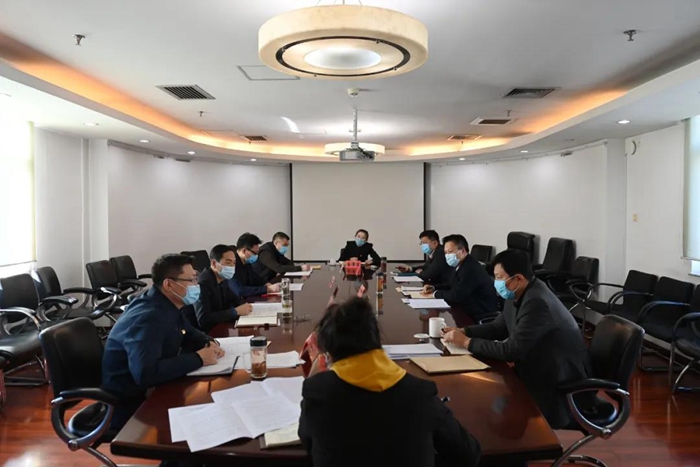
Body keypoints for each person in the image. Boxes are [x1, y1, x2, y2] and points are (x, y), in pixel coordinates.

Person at [299, 297, 481, 467]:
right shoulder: (420, 394)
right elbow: (467, 454)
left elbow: (308, 442)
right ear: (376, 341)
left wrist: (315, 372)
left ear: (329, 354)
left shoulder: (316, 392)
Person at [442, 249, 591, 429]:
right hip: (538, 366)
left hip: (558, 381)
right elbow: (498, 327)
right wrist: (464, 331)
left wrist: (466, 342)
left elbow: (512, 351)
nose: (496, 282)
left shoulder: (537, 302)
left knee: (493, 398)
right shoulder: (519, 292)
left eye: (499, 277)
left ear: (518, 278)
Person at [101, 254, 224, 429]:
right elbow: (146, 374)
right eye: (191, 281)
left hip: (156, 388)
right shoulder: (148, 317)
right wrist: (199, 358)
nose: (196, 285)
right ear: (169, 284)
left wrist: (208, 341)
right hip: (131, 403)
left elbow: (189, 332)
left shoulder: (167, 304)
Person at [422, 234, 497, 321]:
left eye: (450, 252)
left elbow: (456, 295)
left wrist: (434, 294)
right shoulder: (461, 264)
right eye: (445, 252)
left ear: (463, 251)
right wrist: (434, 288)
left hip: (479, 314)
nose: (447, 255)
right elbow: (451, 284)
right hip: (467, 307)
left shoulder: (470, 268)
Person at [187, 244, 253, 333]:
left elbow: (234, 299)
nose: (232, 267)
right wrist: (235, 312)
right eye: (228, 263)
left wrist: (246, 306)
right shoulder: (203, 284)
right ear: (214, 263)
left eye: (234, 263)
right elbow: (203, 319)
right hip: (208, 333)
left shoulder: (222, 278)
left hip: (222, 327)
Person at [229, 232, 280, 298]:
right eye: (254, 253)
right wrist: (267, 289)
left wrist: (266, 284)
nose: (256, 256)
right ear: (244, 250)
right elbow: (240, 291)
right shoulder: (231, 265)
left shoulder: (247, 263)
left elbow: (256, 278)